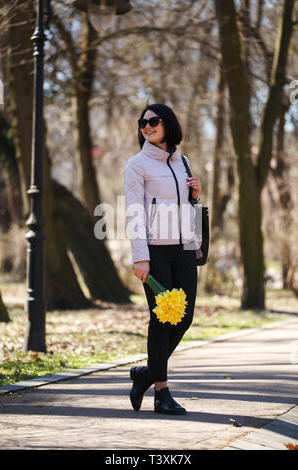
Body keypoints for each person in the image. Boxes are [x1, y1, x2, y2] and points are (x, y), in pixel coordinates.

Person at [123, 103, 201, 415]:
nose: (147, 126)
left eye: (154, 121)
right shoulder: (136, 165)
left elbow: (187, 210)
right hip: (154, 252)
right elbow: (134, 212)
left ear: (168, 124)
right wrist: (140, 257)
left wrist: (194, 196)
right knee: (162, 319)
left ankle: (146, 373)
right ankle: (161, 392)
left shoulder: (182, 161)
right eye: (143, 122)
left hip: (183, 249)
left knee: (184, 318)